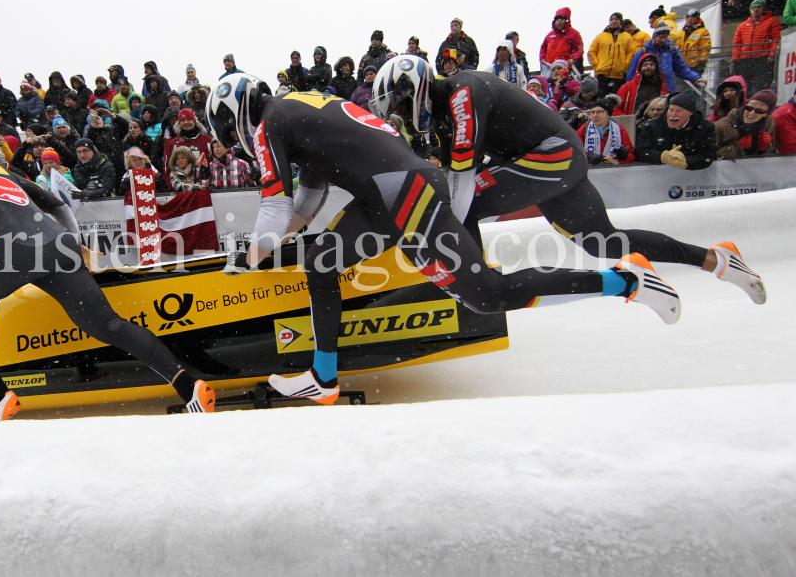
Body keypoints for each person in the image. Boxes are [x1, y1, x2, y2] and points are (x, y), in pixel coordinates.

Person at [207, 67, 741, 406]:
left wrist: (246, 257)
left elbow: (276, 207)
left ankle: (622, 282)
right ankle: (323, 377)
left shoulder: (267, 123)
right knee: (322, 259)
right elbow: (307, 202)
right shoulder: (299, 108)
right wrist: (267, 247)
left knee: (486, 295)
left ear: (232, 116)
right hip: (393, 193)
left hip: (404, 197)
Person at [382, 55, 762, 305]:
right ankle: (718, 260)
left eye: (399, 105)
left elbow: (462, 185)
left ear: (412, 88)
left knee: (470, 202)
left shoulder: (463, 90)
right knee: (606, 242)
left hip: (551, 156)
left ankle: (470, 289)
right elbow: (455, 177)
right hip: (549, 160)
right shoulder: (447, 118)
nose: (400, 113)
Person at [0, 149, 215, 420]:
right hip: (58, 244)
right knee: (106, 323)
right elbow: (56, 203)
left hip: (9, 246)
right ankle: (189, 385)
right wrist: (72, 240)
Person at [635, 90, 717, 170]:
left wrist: (685, 161)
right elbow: (640, 152)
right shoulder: (650, 126)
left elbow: (707, 156)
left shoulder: (706, 127)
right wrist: (663, 157)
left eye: (679, 111)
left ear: (690, 113)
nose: (673, 115)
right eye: (671, 110)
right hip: (655, 177)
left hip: (692, 180)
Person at [626, 24, 706, 93]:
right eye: (661, 37)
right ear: (654, 37)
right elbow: (632, 73)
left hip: (668, 90)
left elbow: (681, 69)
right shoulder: (642, 52)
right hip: (647, 92)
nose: (663, 40)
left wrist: (696, 78)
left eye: (665, 37)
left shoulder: (672, 50)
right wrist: (631, 90)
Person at [731, 0, 782, 93]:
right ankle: (746, 105)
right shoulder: (742, 25)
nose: (756, 9)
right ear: (750, 10)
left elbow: (776, 39)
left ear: (764, 9)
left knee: (762, 85)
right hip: (745, 60)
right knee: (744, 87)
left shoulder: (772, 21)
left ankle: (759, 105)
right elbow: (737, 44)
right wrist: (735, 60)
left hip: (763, 58)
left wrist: (772, 55)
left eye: (759, 7)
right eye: (753, 7)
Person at [715, 90, 777, 159]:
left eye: (759, 111)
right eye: (749, 108)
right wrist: (737, 147)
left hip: (755, 167)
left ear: (766, 114)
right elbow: (710, 154)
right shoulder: (720, 126)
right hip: (726, 168)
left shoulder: (769, 125)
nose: (751, 113)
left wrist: (765, 148)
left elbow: (776, 151)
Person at [161, 108, 212, 189]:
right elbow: (168, 168)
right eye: (183, 120)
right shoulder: (174, 143)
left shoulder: (206, 140)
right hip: (182, 190)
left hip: (204, 187)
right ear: (179, 123)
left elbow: (214, 163)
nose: (186, 123)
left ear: (195, 121)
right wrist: (173, 189)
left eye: (189, 119)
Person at [576, 96, 634, 165]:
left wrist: (624, 157)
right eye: (592, 112)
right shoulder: (584, 129)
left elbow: (631, 157)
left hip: (613, 171)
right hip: (591, 170)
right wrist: (588, 156)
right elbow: (574, 151)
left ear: (608, 115)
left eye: (599, 112)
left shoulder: (620, 130)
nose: (595, 115)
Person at [588, 13, 634, 95]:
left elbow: (630, 53)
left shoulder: (627, 37)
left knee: (616, 100)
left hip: (619, 75)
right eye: (611, 19)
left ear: (620, 21)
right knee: (601, 100)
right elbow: (592, 52)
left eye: (616, 19)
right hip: (602, 75)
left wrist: (625, 66)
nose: (613, 21)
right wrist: (596, 66)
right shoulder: (600, 36)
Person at [615, 53, 668, 118]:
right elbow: (615, 108)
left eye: (651, 64)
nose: (648, 67)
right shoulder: (627, 87)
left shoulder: (663, 87)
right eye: (645, 65)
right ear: (640, 68)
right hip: (634, 124)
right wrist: (628, 120)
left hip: (656, 124)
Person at [539, 7, 584, 73]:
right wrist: (542, 58)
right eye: (557, 20)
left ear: (566, 20)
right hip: (550, 69)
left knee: (566, 83)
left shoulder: (574, 34)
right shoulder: (549, 35)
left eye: (561, 19)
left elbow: (579, 50)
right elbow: (543, 49)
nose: (559, 22)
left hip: (566, 68)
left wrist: (573, 59)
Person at [676, 9, 712, 75]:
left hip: (694, 66)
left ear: (697, 19)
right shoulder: (680, 33)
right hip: (680, 65)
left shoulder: (703, 32)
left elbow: (705, 48)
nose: (690, 19)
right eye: (688, 17)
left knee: (693, 85)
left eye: (692, 17)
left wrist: (702, 63)